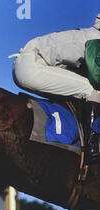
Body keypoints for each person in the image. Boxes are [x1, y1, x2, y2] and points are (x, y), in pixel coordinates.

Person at [12, 13, 100, 164]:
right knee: (93, 91)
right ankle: (93, 145)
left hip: (29, 64)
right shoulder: (95, 39)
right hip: (33, 66)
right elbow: (97, 77)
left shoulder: (90, 34)